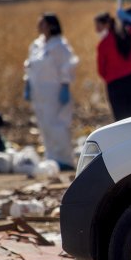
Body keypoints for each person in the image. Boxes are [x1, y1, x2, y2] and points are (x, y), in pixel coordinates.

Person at [24, 13, 79, 171]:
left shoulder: (59, 45)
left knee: (58, 124)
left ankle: (64, 159)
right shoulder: (36, 45)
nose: (39, 27)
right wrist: (27, 84)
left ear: (51, 25)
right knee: (44, 124)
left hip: (54, 90)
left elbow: (67, 66)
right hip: (38, 91)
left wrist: (65, 86)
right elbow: (30, 66)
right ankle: (51, 157)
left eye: (42, 24)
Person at [94, 9, 131, 120]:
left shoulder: (103, 44)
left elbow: (101, 70)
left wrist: (110, 78)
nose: (96, 29)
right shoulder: (128, 32)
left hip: (116, 85)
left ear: (107, 24)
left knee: (121, 120)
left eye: (98, 26)